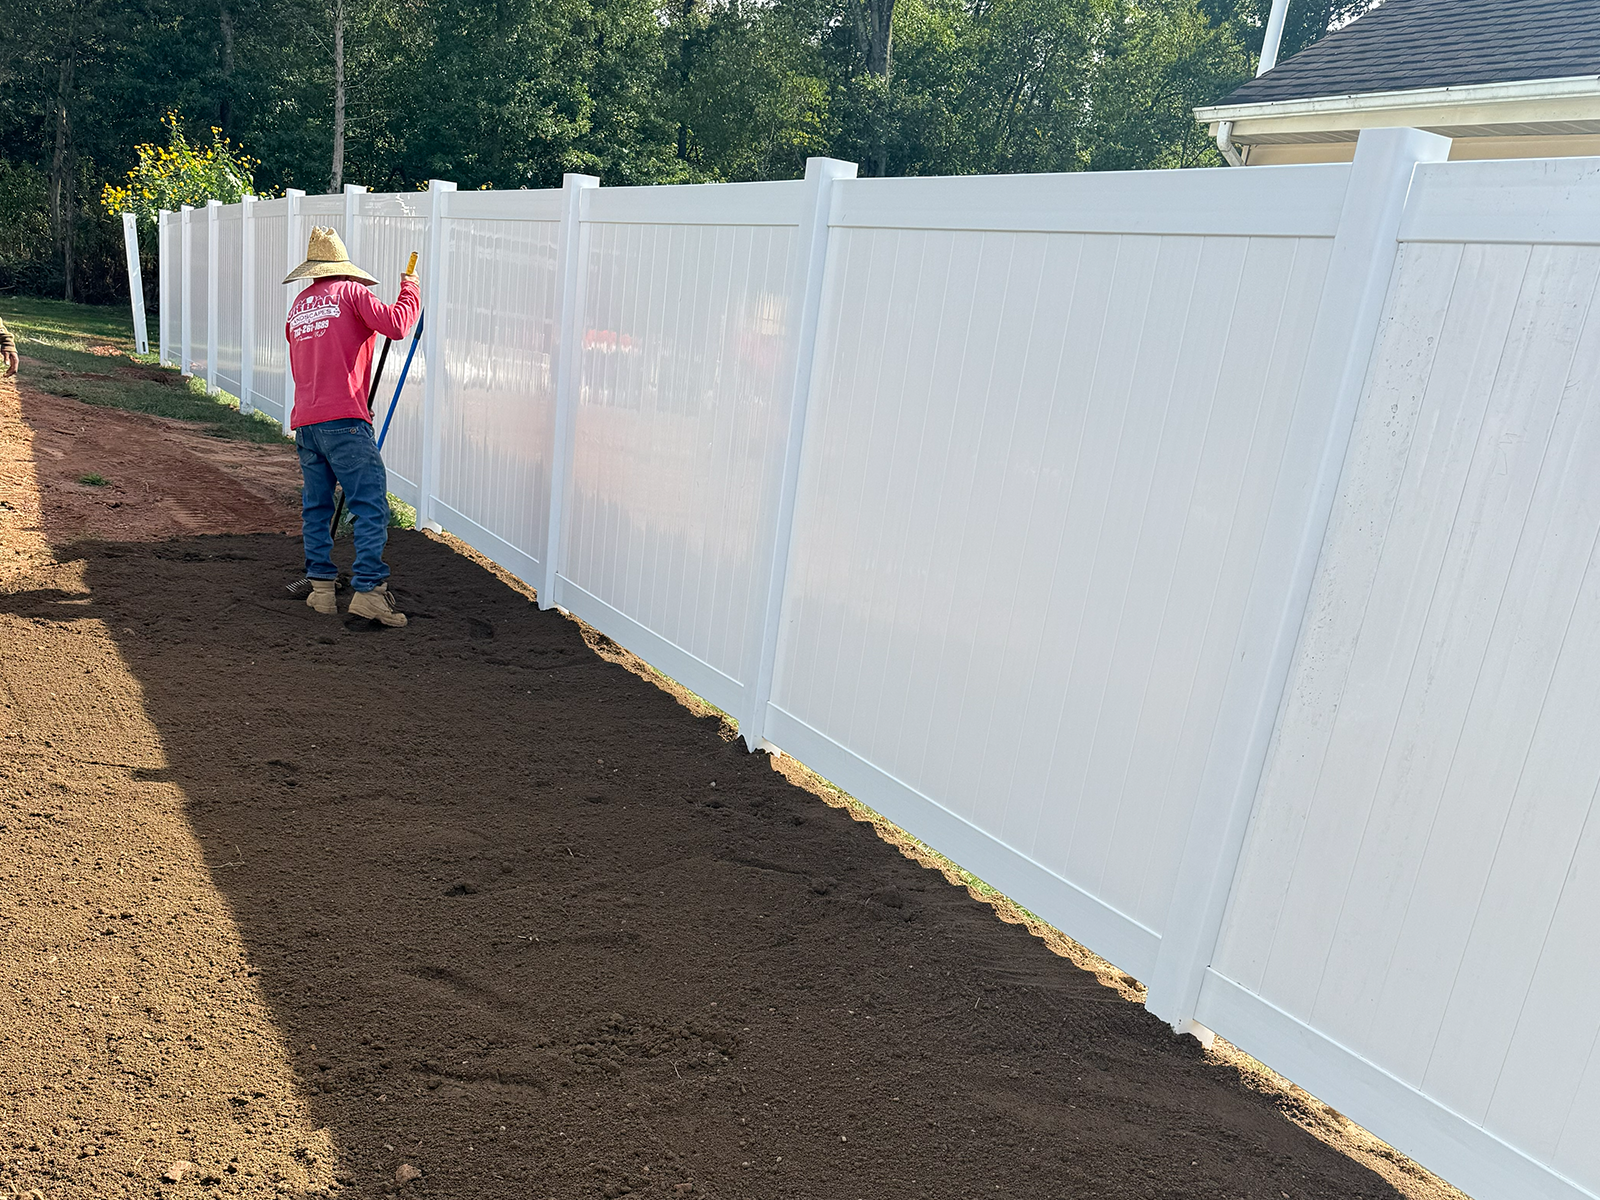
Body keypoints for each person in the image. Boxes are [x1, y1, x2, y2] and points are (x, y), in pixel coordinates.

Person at [284, 226, 419, 627]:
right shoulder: (352, 293)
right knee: (370, 504)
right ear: (343, 267)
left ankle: (322, 590)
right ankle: (369, 592)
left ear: (313, 270)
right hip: (344, 419)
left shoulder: (299, 306)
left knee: (317, 506)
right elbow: (396, 325)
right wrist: (410, 288)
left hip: (307, 422)